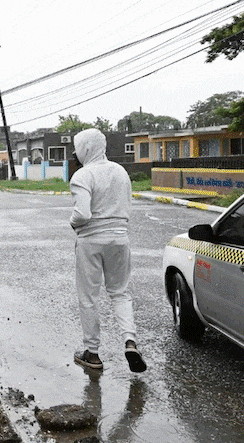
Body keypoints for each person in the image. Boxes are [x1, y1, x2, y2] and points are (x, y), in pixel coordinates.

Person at [69, 128, 146, 373]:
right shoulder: (121, 172)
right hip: (120, 239)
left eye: (77, 148)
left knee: (89, 297)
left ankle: (92, 354)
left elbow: (82, 214)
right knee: (120, 293)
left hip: (91, 241)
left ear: (86, 148)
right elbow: (127, 205)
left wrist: (72, 223)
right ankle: (130, 341)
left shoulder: (82, 175)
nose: (75, 153)